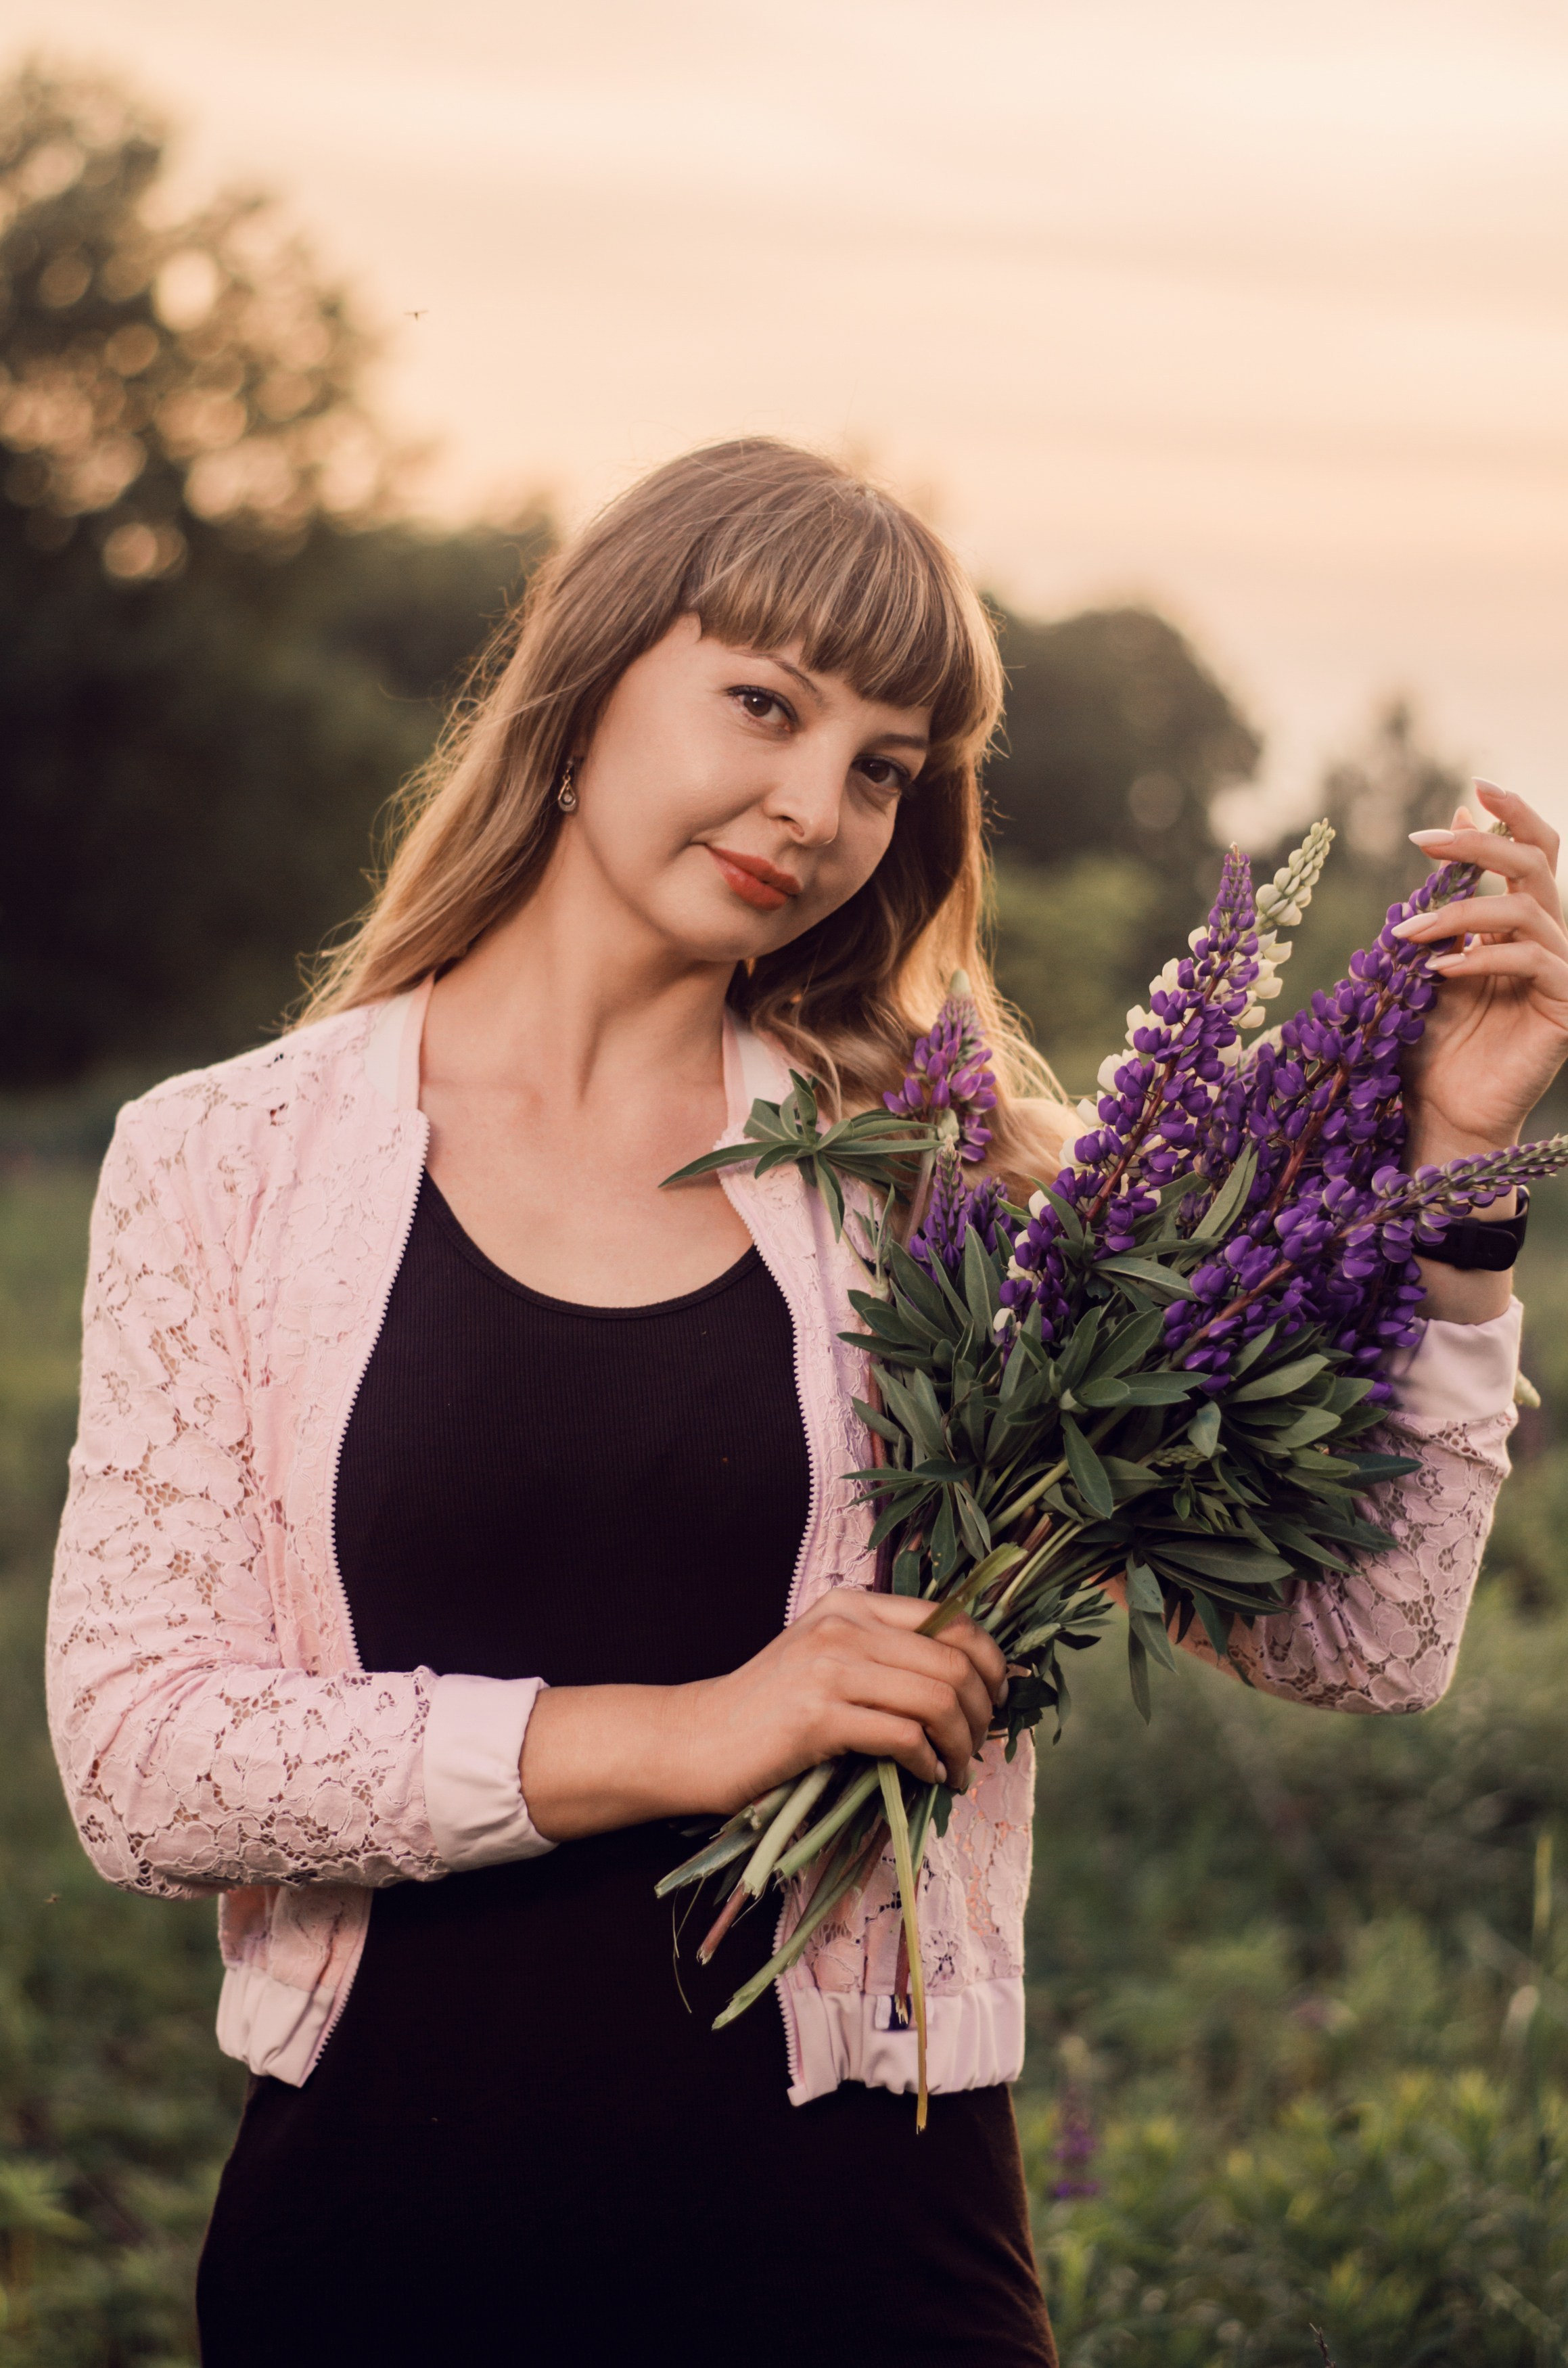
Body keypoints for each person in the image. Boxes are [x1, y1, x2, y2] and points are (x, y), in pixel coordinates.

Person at [47, 440, 1568, 2366]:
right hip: (390, 2226)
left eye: (882, 765)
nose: (815, 805)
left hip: (863, 2238)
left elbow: (1364, 1640)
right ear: (585, 687)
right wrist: (690, 1732)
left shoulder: (952, 1184)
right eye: (762, 703)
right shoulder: (226, 1160)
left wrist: (1454, 1187)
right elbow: (138, 1754)